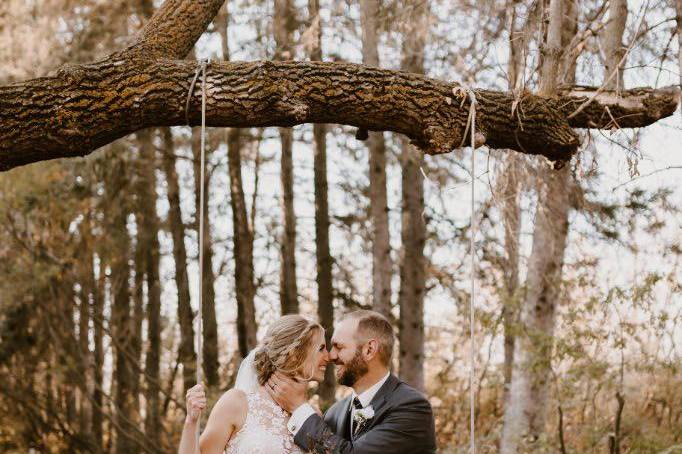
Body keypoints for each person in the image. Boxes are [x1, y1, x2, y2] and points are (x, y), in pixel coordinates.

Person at [268, 310, 437, 453]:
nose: (331, 356)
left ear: (369, 350)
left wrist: (299, 408)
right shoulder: (334, 413)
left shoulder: (412, 408)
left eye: (339, 347)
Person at [179, 314, 328, 454]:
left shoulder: (313, 415)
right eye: (321, 348)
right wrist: (191, 422)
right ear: (294, 354)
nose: (328, 357)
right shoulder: (237, 402)